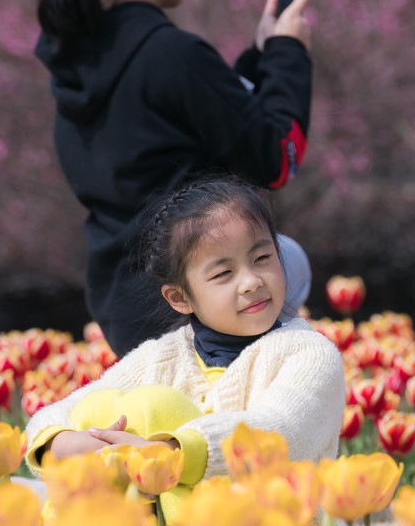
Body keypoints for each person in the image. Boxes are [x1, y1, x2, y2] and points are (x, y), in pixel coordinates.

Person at [34, 0, 313, 356]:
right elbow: (275, 157)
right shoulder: (172, 53)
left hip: (122, 302)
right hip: (198, 306)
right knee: (287, 260)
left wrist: (262, 56)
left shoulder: (78, 63)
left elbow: (200, 116)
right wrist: (289, 55)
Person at [23, 177, 345, 494]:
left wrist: (171, 453)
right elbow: (59, 412)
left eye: (262, 258)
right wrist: (63, 444)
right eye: (223, 273)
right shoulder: (161, 358)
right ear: (180, 298)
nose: (251, 282)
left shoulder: (310, 354)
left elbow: (282, 431)